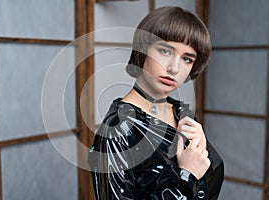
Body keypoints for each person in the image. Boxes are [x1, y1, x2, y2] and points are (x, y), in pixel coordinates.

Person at [88, 6, 224, 200]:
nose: (174, 68)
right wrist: (187, 176)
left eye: (186, 59)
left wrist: (203, 152)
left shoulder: (181, 113)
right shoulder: (118, 129)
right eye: (164, 51)